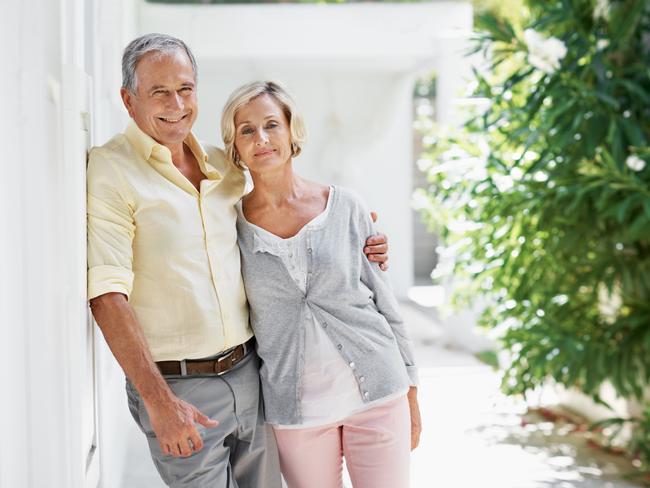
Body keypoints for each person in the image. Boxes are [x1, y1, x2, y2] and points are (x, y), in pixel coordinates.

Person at [86, 34, 389, 488]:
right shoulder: (112, 170)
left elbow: (283, 202)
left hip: (252, 374)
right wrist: (158, 401)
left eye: (185, 89)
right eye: (159, 92)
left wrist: (357, 233)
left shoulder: (222, 166)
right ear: (129, 101)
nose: (177, 103)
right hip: (178, 386)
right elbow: (107, 295)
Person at [222, 80, 422, 488]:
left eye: (272, 124)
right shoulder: (229, 226)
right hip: (297, 413)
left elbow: (385, 304)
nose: (261, 138)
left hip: (379, 395)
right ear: (235, 146)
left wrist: (411, 391)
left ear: (292, 131)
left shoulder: (345, 206)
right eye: (247, 130)